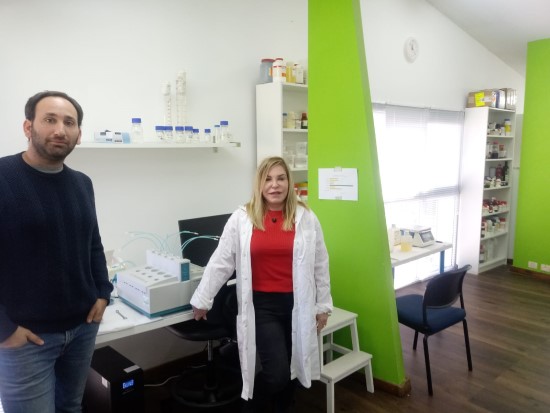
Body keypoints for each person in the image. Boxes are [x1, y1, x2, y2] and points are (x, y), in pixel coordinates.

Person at [190, 156, 333, 412]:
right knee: (278, 372)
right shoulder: (242, 218)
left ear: (289, 182)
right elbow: (222, 261)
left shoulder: (306, 217)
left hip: (297, 304)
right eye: (267, 179)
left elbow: (320, 263)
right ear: (259, 184)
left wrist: (322, 305)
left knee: (295, 367)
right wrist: (203, 298)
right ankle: (250, 407)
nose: (274, 185)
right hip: (263, 306)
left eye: (280, 178)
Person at [0, 91, 113, 413]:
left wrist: (103, 292)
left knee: (71, 407)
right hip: (25, 339)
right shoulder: (3, 178)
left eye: (69, 122)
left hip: (81, 329)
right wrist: (4, 329)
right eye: (49, 120)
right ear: (28, 127)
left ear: (78, 134)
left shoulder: (82, 183)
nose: (60, 130)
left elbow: (92, 243)